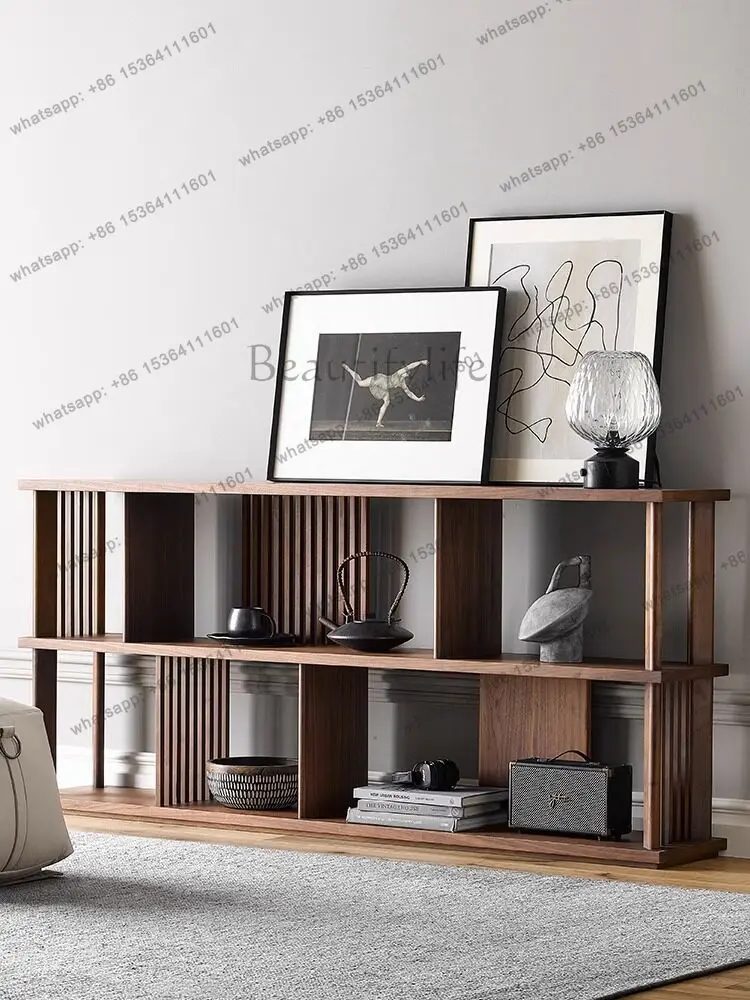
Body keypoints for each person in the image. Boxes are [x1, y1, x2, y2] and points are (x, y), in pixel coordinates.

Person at [342, 359, 429, 428]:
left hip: (383, 389)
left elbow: (409, 393)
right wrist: (421, 362)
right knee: (360, 383)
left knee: (387, 402)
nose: (406, 374)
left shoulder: (402, 383)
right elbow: (411, 366)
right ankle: (349, 369)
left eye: (407, 374)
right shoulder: (399, 373)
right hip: (380, 380)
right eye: (406, 373)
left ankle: (378, 422)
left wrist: (418, 399)